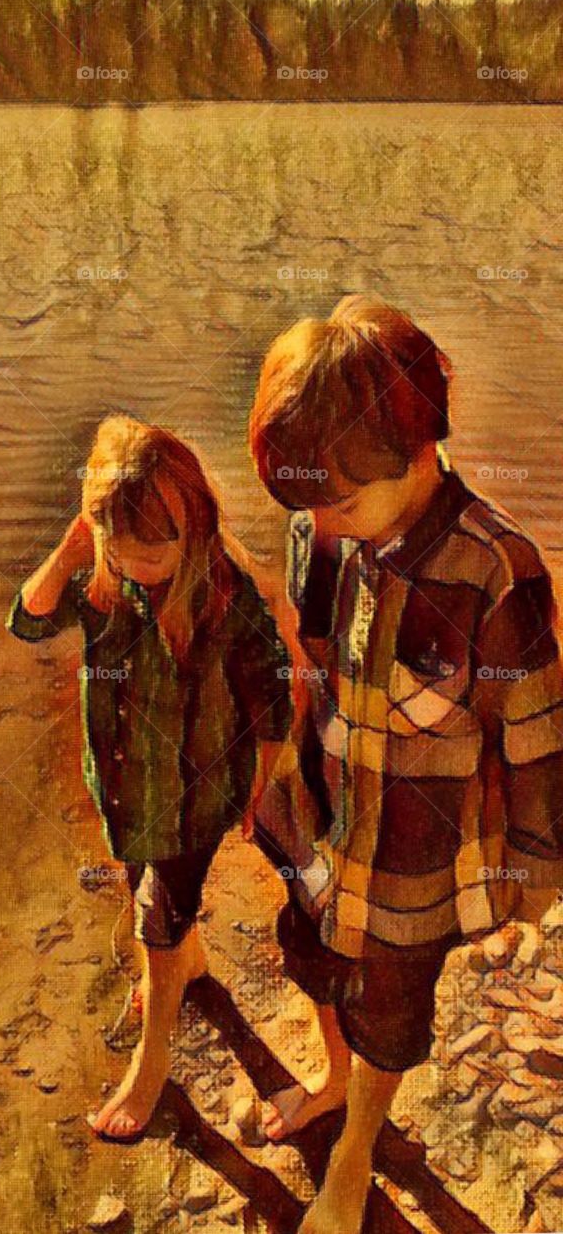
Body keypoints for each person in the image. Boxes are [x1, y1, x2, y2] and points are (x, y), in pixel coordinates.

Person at [249, 293, 563, 1234]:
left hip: (411, 859)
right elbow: (308, 661)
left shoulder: (498, 569)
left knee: (389, 1006)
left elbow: (540, 732)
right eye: (311, 506)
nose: (327, 528)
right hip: (326, 814)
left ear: (421, 446)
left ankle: (354, 1158)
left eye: (342, 503)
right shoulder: (322, 527)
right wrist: (270, 770)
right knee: (308, 955)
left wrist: (534, 875)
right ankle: (333, 1079)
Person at [6, 414, 292, 1144]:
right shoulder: (106, 585)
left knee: (155, 917)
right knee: (148, 892)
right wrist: (77, 545)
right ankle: (189, 962)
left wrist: (264, 787)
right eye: (121, 551)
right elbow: (30, 620)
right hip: (127, 793)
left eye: (154, 555)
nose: (138, 568)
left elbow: (273, 700)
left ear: (193, 527)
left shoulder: (226, 600)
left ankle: (153, 1057)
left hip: (197, 802)